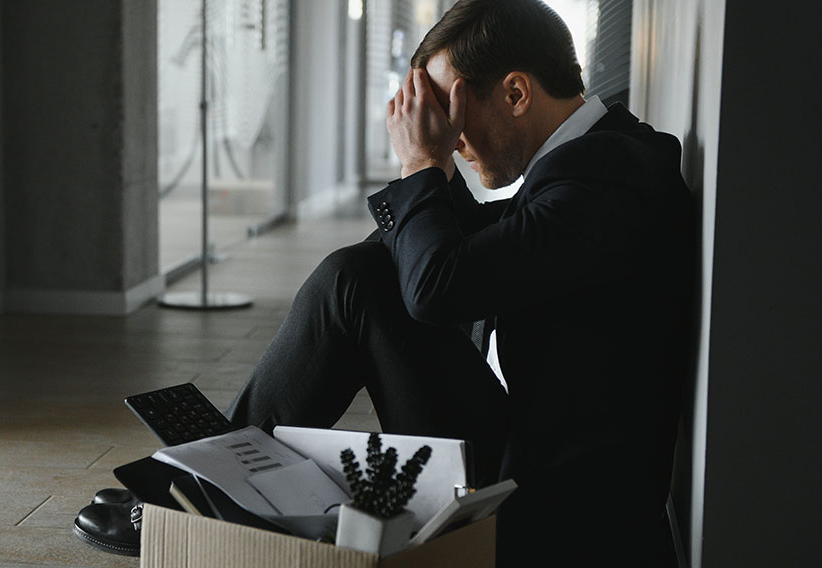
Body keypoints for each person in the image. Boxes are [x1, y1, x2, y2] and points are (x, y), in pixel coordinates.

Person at [79, 0, 693, 564]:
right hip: (532, 452)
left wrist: (422, 165)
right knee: (365, 275)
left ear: (515, 93)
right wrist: (421, 184)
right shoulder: (598, 159)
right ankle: (210, 485)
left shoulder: (607, 177)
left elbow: (439, 288)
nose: (450, 135)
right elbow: (485, 248)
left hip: (559, 512)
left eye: (453, 109)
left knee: (356, 280)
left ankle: (203, 497)